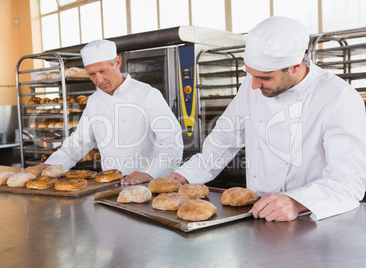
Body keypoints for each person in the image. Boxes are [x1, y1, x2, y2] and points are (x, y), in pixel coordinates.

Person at [169, 16, 366, 222]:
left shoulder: (338, 97)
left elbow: (349, 181)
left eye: (264, 77)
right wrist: (188, 174)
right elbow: (225, 138)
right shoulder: (252, 84)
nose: (254, 85)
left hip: (312, 217)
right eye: (251, 75)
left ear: (295, 66)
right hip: (258, 213)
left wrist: (296, 202)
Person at [45, 39, 183, 185]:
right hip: (110, 184)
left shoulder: (147, 94)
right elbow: (80, 142)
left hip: (148, 184)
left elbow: (171, 140)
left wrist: (149, 172)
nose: (99, 80)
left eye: (103, 71)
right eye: (92, 74)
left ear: (117, 62)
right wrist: (51, 165)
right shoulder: (94, 101)